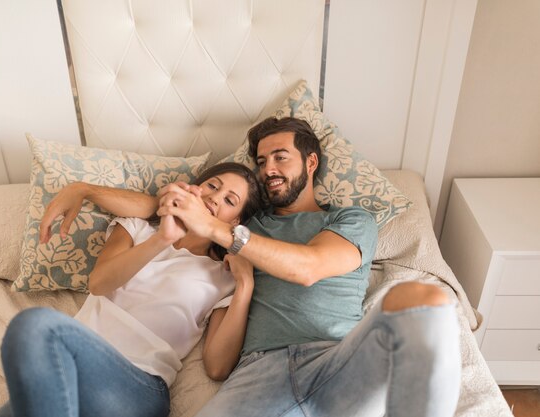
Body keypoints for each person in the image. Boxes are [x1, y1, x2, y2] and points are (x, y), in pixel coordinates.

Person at [41, 117, 462, 417]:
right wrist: (85, 189)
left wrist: (219, 229)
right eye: (261, 162)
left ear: (311, 162)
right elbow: (158, 206)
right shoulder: (243, 223)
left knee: (420, 300)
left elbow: (309, 267)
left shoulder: (349, 220)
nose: (269, 170)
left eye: (280, 157)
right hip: (258, 374)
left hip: (335, 359)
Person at [0, 162, 264, 417]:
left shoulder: (223, 275)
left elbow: (217, 367)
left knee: (34, 325)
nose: (215, 198)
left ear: (234, 223)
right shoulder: (138, 229)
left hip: (137, 385)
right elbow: (99, 284)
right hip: (73, 362)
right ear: (192, 189)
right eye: (213, 186)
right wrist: (162, 240)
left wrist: (245, 285)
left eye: (229, 200)